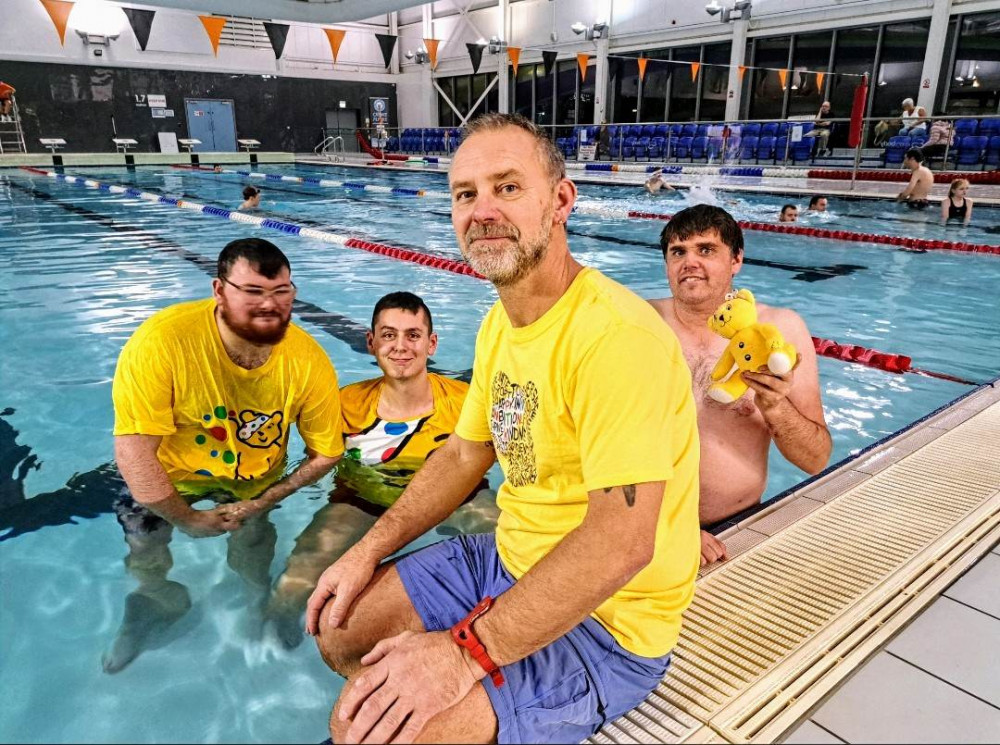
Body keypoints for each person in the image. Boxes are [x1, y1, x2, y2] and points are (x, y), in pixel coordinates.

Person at [306, 113, 701, 745]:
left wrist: (462, 655)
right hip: (507, 558)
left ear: (561, 200)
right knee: (338, 624)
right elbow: (464, 454)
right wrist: (367, 548)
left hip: (610, 619)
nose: (483, 210)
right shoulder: (501, 323)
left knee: (365, 732)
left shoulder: (616, 340)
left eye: (507, 187)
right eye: (466, 194)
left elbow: (623, 543)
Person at [106, 237, 344, 672]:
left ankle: (259, 603)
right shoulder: (162, 343)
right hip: (172, 472)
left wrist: (265, 500)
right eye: (253, 292)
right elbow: (135, 454)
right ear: (219, 290)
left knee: (254, 542)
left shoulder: (308, 362)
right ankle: (155, 598)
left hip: (255, 477)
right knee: (144, 539)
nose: (269, 306)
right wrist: (186, 518)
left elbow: (326, 454)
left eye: (281, 292)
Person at [264, 291, 498, 648]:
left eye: (413, 335)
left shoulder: (466, 403)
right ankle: (270, 660)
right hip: (361, 500)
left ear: (431, 344)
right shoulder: (344, 404)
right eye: (389, 335)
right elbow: (316, 460)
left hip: (455, 496)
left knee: (506, 543)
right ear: (371, 343)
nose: (401, 346)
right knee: (293, 583)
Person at [649, 205, 831, 566]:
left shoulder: (781, 330)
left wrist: (776, 406)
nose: (690, 262)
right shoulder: (642, 325)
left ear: (736, 260)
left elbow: (815, 459)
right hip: (645, 527)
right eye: (678, 251)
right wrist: (666, 526)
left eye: (706, 250)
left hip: (738, 528)